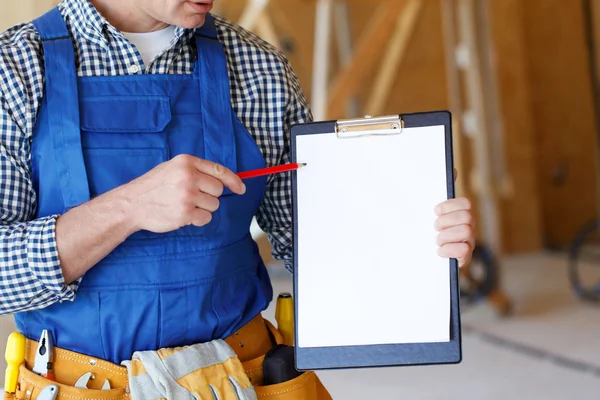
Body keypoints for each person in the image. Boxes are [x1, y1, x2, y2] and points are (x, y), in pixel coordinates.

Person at [0, 0, 475, 398]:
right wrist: (129, 207)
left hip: (244, 378)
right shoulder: (16, 70)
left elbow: (316, 248)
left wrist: (417, 237)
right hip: (79, 385)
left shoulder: (258, 68)